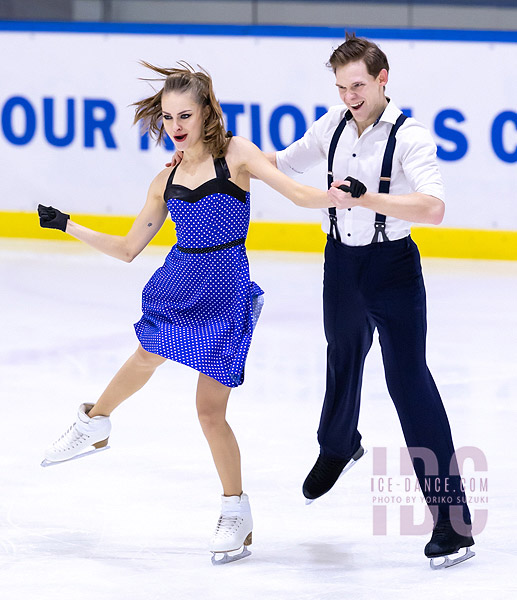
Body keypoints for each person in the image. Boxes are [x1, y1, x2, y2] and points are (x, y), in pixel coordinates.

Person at [37, 61, 336, 565]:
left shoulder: (235, 155)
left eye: (185, 115)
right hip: (180, 280)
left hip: (225, 290)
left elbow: (296, 192)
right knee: (148, 350)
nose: (176, 126)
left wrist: (340, 198)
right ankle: (96, 422)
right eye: (168, 116)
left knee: (209, 411)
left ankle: (235, 511)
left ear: (205, 114)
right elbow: (131, 248)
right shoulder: (165, 177)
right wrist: (69, 225)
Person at [270, 34, 474, 569]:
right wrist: (223, 157)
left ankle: (452, 523)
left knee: (409, 383)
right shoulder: (331, 127)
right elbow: (282, 166)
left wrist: (369, 197)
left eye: (357, 85)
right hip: (340, 264)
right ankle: (339, 445)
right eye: (341, 87)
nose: (349, 96)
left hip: (393, 270)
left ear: (383, 80)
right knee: (342, 360)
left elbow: (432, 208)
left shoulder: (412, 138)